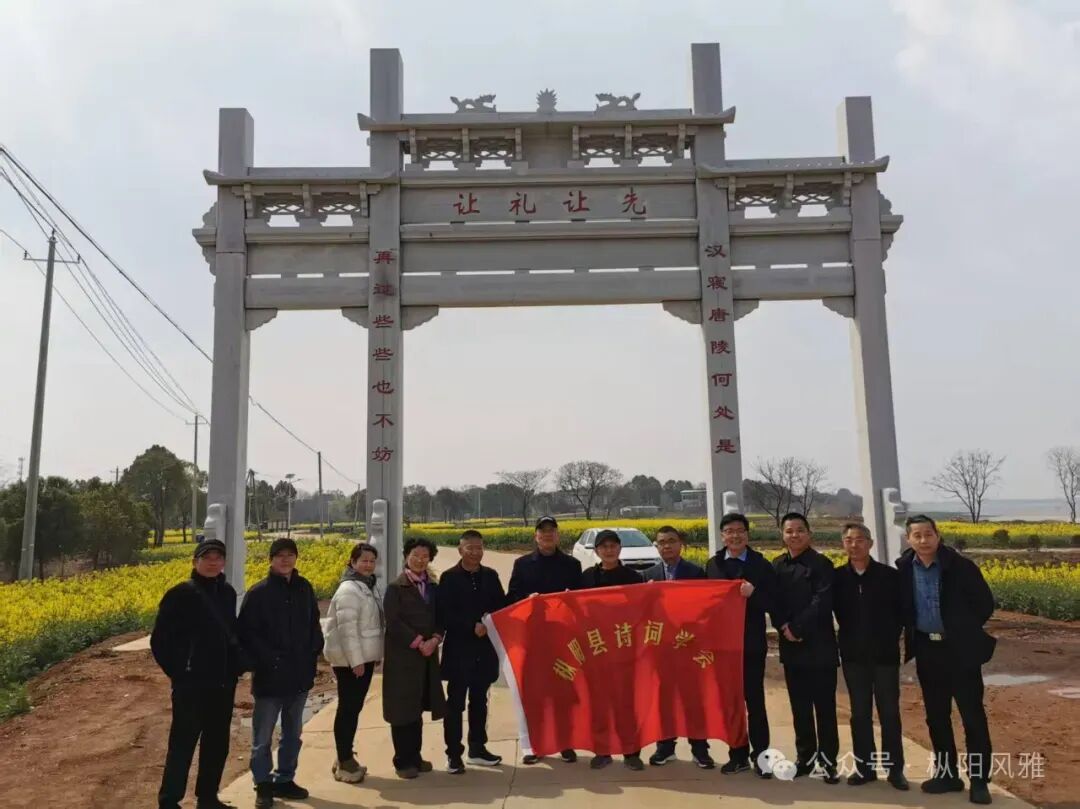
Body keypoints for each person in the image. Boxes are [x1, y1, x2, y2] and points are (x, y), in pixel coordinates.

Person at [897, 515, 995, 805]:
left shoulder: (960, 567)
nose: (923, 540)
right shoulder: (904, 568)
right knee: (936, 716)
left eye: (928, 534)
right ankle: (947, 774)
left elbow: (984, 604)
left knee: (972, 716)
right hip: (927, 650)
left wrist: (962, 629)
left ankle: (979, 780)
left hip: (960, 650)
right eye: (917, 535)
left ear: (937, 536)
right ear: (908, 539)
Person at [152, 539, 246, 809]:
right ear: (195, 562)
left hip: (222, 684)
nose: (213, 562)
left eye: (218, 558)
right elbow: (159, 641)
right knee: (183, 744)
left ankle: (207, 798)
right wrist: (180, 672)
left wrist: (234, 669)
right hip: (191, 686)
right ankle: (169, 801)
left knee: (217, 744)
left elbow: (231, 634)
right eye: (207, 558)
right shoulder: (180, 594)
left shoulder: (227, 593)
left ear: (224, 562)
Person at [238, 538, 323, 809]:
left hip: (299, 676)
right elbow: (247, 634)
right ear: (271, 559)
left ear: (296, 558)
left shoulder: (304, 588)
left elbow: (314, 624)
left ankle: (285, 779)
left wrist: (313, 653)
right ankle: (263, 785)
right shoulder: (259, 593)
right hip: (270, 678)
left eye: (290, 555)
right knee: (262, 737)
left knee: (292, 733)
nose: (285, 560)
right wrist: (270, 659)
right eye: (280, 555)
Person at [832, 523, 908, 790]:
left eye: (860, 540)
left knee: (889, 713)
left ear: (870, 543)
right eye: (849, 540)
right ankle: (865, 768)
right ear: (843, 543)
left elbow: (901, 613)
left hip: (885, 656)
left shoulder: (889, 576)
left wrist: (889, 636)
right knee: (860, 713)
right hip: (853, 656)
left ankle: (895, 770)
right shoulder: (837, 578)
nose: (854, 545)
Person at [705, 512, 777, 778]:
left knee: (755, 701)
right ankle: (737, 754)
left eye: (740, 531)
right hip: (723, 646)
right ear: (722, 536)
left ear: (747, 534)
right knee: (731, 702)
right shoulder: (713, 565)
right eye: (729, 531)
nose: (735, 536)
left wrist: (753, 594)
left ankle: (761, 756)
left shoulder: (761, 564)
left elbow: (773, 602)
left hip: (751, 644)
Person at [507, 515, 583, 765]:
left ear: (558, 535)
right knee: (535, 694)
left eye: (552, 531)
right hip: (533, 638)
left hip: (563, 638)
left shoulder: (572, 565)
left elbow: (583, 599)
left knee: (564, 693)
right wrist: (527, 599)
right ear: (536, 536)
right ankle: (535, 745)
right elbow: (512, 597)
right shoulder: (522, 564)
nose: (547, 535)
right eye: (543, 531)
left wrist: (571, 599)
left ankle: (565, 742)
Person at [772, 512, 840, 784]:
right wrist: (783, 626)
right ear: (782, 535)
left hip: (820, 646)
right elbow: (774, 602)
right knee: (799, 708)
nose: (795, 535)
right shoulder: (778, 565)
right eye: (789, 531)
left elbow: (822, 601)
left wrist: (797, 628)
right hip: (791, 648)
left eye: (800, 530)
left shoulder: (822, 564)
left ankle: (828, 762)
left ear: (809, 534)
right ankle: (805, 758)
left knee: (824, 709)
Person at [436, 530, 507, 774]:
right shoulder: (449, 578)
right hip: (459, 651)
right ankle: (453, 754)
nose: (475, 552)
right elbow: (445, 613)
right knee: (455, 704)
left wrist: (488, 623)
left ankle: (477, 749)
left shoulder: (491, 575)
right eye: (470, 548)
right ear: (460, 550)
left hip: (485, 650)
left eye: (479, 548)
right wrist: (470, 625)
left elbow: (501, 606)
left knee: (480, 702)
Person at [643, 525, 713, 769]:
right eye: (662, 542)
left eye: (671, 541)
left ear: (680, 544)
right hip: (661, 647)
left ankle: (700, 748)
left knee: (694, 698)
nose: (667, 546)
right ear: (657, 546)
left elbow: (705, 607)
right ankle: (665, 747)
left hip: (689, 645)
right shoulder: (647, 575)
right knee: (664, 698)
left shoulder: (696, 572)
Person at [579, 528, 646, 771]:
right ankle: (602, 750)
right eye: (603, 547)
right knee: (599, 703)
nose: (608, 550)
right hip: (596, 648)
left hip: (625, 648)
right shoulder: (587, 577)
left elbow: (642, 610)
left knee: (627, 703)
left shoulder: (634, 577)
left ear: (619, 548)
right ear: (597, 551)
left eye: (612, 546)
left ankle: (631, 752)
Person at [383, 537, 447, 779]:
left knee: (418, 706)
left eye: (425, 556)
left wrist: (435, 639)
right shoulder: (395, 588)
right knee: (402, 709)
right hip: (403, 659)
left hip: (427, 658)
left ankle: (416, 757)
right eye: (415, 555)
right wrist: (420, 642)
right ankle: (402, 761)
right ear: (406, 557)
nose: (420, 560)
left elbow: (441, 617)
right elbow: (393, 622)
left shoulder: (433, 587)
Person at [322, 542, 384, 784]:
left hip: (361, 659)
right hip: (351, 662)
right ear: (352, 562)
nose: (368, 565)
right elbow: (347, 630)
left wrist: (373, 655)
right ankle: (345, 761)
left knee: (352, 708)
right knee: (348, 709)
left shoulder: (366, 585)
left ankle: (344, 756)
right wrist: (356, 661)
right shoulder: (349, 589)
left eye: (372, 561)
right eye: (363, 560)